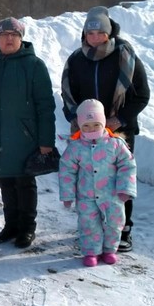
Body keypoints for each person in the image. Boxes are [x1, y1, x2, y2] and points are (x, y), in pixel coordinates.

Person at [61, 6, 150, 252]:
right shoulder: (77, 60)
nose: (95, 37)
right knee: (89, 180)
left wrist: (118, 119)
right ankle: (92, 228)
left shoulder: (125, 56)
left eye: (100, 32)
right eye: (90, 33)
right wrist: (76, 118)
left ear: (109, 33)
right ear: (84, 35)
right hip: (87, 131)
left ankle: (123, 229)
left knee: (119, 179)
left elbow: (142, 95)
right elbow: (68, 94)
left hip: (119, 130)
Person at [0, 17, 56, 249]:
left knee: (24, 183)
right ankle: (11, 225)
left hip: (25, 138)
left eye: (14, 34)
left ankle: (27, 228)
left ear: (21, 38)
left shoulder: (34, 65)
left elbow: (45, 105)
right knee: (6, 183)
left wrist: (46, 141)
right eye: (4, 35)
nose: (9, 38)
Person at [59, 99, 137, 267]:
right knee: (89, 224)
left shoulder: (115, 144)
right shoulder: (75, 147)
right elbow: (67, 171)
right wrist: (68, 194)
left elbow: (127, 165)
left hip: (113, 194)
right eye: (86, 125)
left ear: (102, 123)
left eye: (95, 124)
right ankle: (91, 252)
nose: (91, 129)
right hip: (86, 195)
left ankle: (109, 249)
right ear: (80, 126)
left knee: (114, 222)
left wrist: (125, 188)